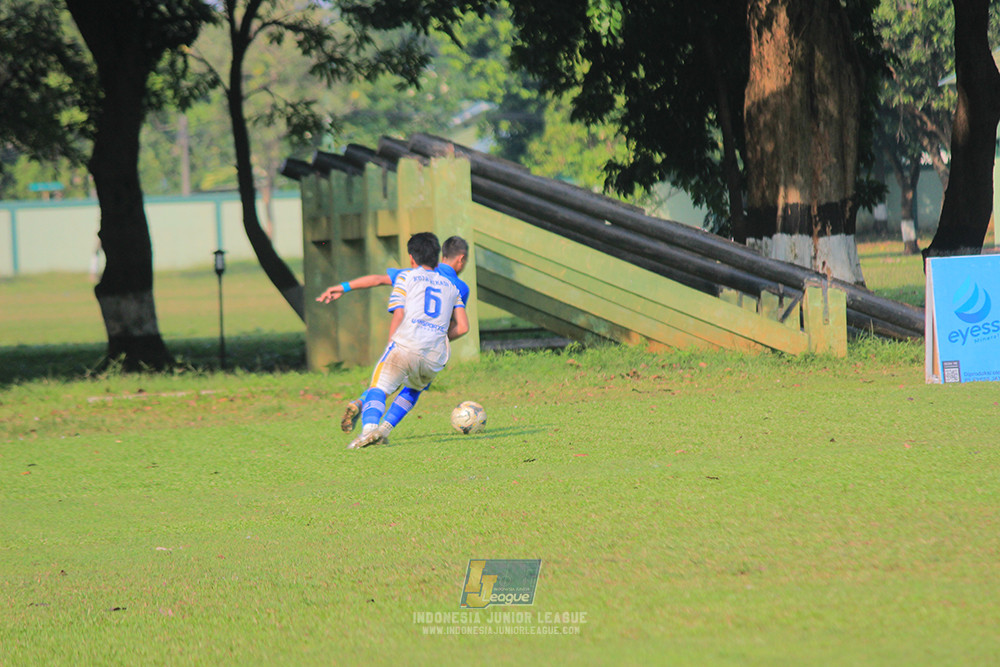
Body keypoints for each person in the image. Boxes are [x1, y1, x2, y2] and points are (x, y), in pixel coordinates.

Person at [316, 236, 471, 435]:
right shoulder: (459, 287)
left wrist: (344, 287)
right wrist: (436, 338)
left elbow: (378, 280)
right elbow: (459, 326)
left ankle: (362, 403)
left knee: (388, 379)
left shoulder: (413, 273)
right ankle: (382, 430)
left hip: (405, 337)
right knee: (412, 386)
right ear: (461, 259)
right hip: (429, 349)